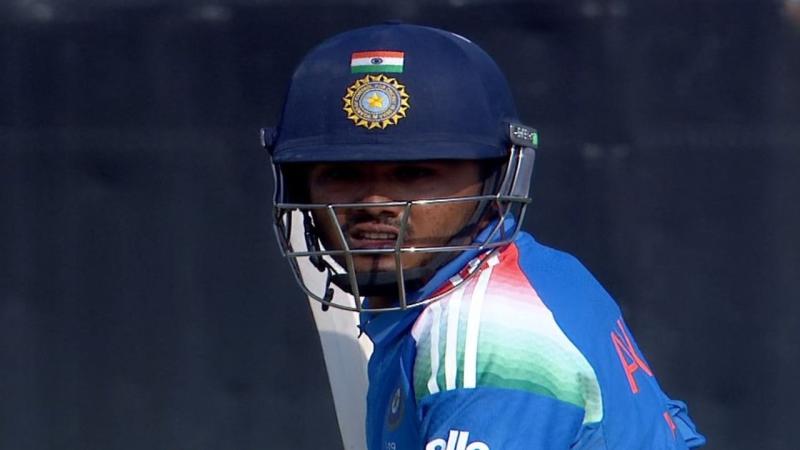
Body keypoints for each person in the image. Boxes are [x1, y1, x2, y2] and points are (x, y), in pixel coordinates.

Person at [262, 22, 705, 450]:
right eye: (340, 175)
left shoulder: (484, 343)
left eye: (413, 173)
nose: (375, 202)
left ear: (497, 178)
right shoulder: (541, 269)